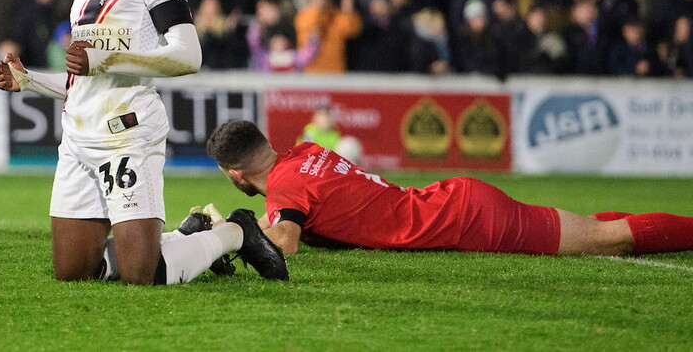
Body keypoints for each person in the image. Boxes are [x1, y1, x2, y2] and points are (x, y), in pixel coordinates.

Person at [0, 0, 285, 285]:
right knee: (74, 273)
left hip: (126, 135)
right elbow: (85, 77)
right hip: (77, 139)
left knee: (141, 277)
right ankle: (188, 235)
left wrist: (106, 60)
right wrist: (29, 81)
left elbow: (187, 55)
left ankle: (235, 232)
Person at [207, 120, 693, 259]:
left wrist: (234, 231)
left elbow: (285, 242)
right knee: (593, 231)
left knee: (608, 239)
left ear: (235, 175)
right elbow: (301, 214)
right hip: (454, 201)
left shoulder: (284, 194)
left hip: (465, 219)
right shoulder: (304, 152)